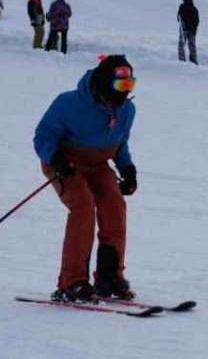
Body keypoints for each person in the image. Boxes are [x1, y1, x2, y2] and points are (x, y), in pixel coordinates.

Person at [33, 54, 138, 303]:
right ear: (103, 83)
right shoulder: (68, 103)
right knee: (82, 208)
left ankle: (109, 277)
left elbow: (120, 142)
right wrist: (57, 158)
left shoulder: (127, 110)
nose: (125, 92)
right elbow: (42, 137)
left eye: (129, 85)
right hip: (65, 164)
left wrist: (128, 168)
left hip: (97, 164)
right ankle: (72, 282)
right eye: (120, 85)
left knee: (114, 206)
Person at [177, 0, 199, 65]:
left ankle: (182, 59)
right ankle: (193, 59)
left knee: (182, 44)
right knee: (191, 45)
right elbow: (179, 18)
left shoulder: (183, 7)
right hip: (189, 30)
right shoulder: (193, 9)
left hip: (186, 30)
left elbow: (178, 18)